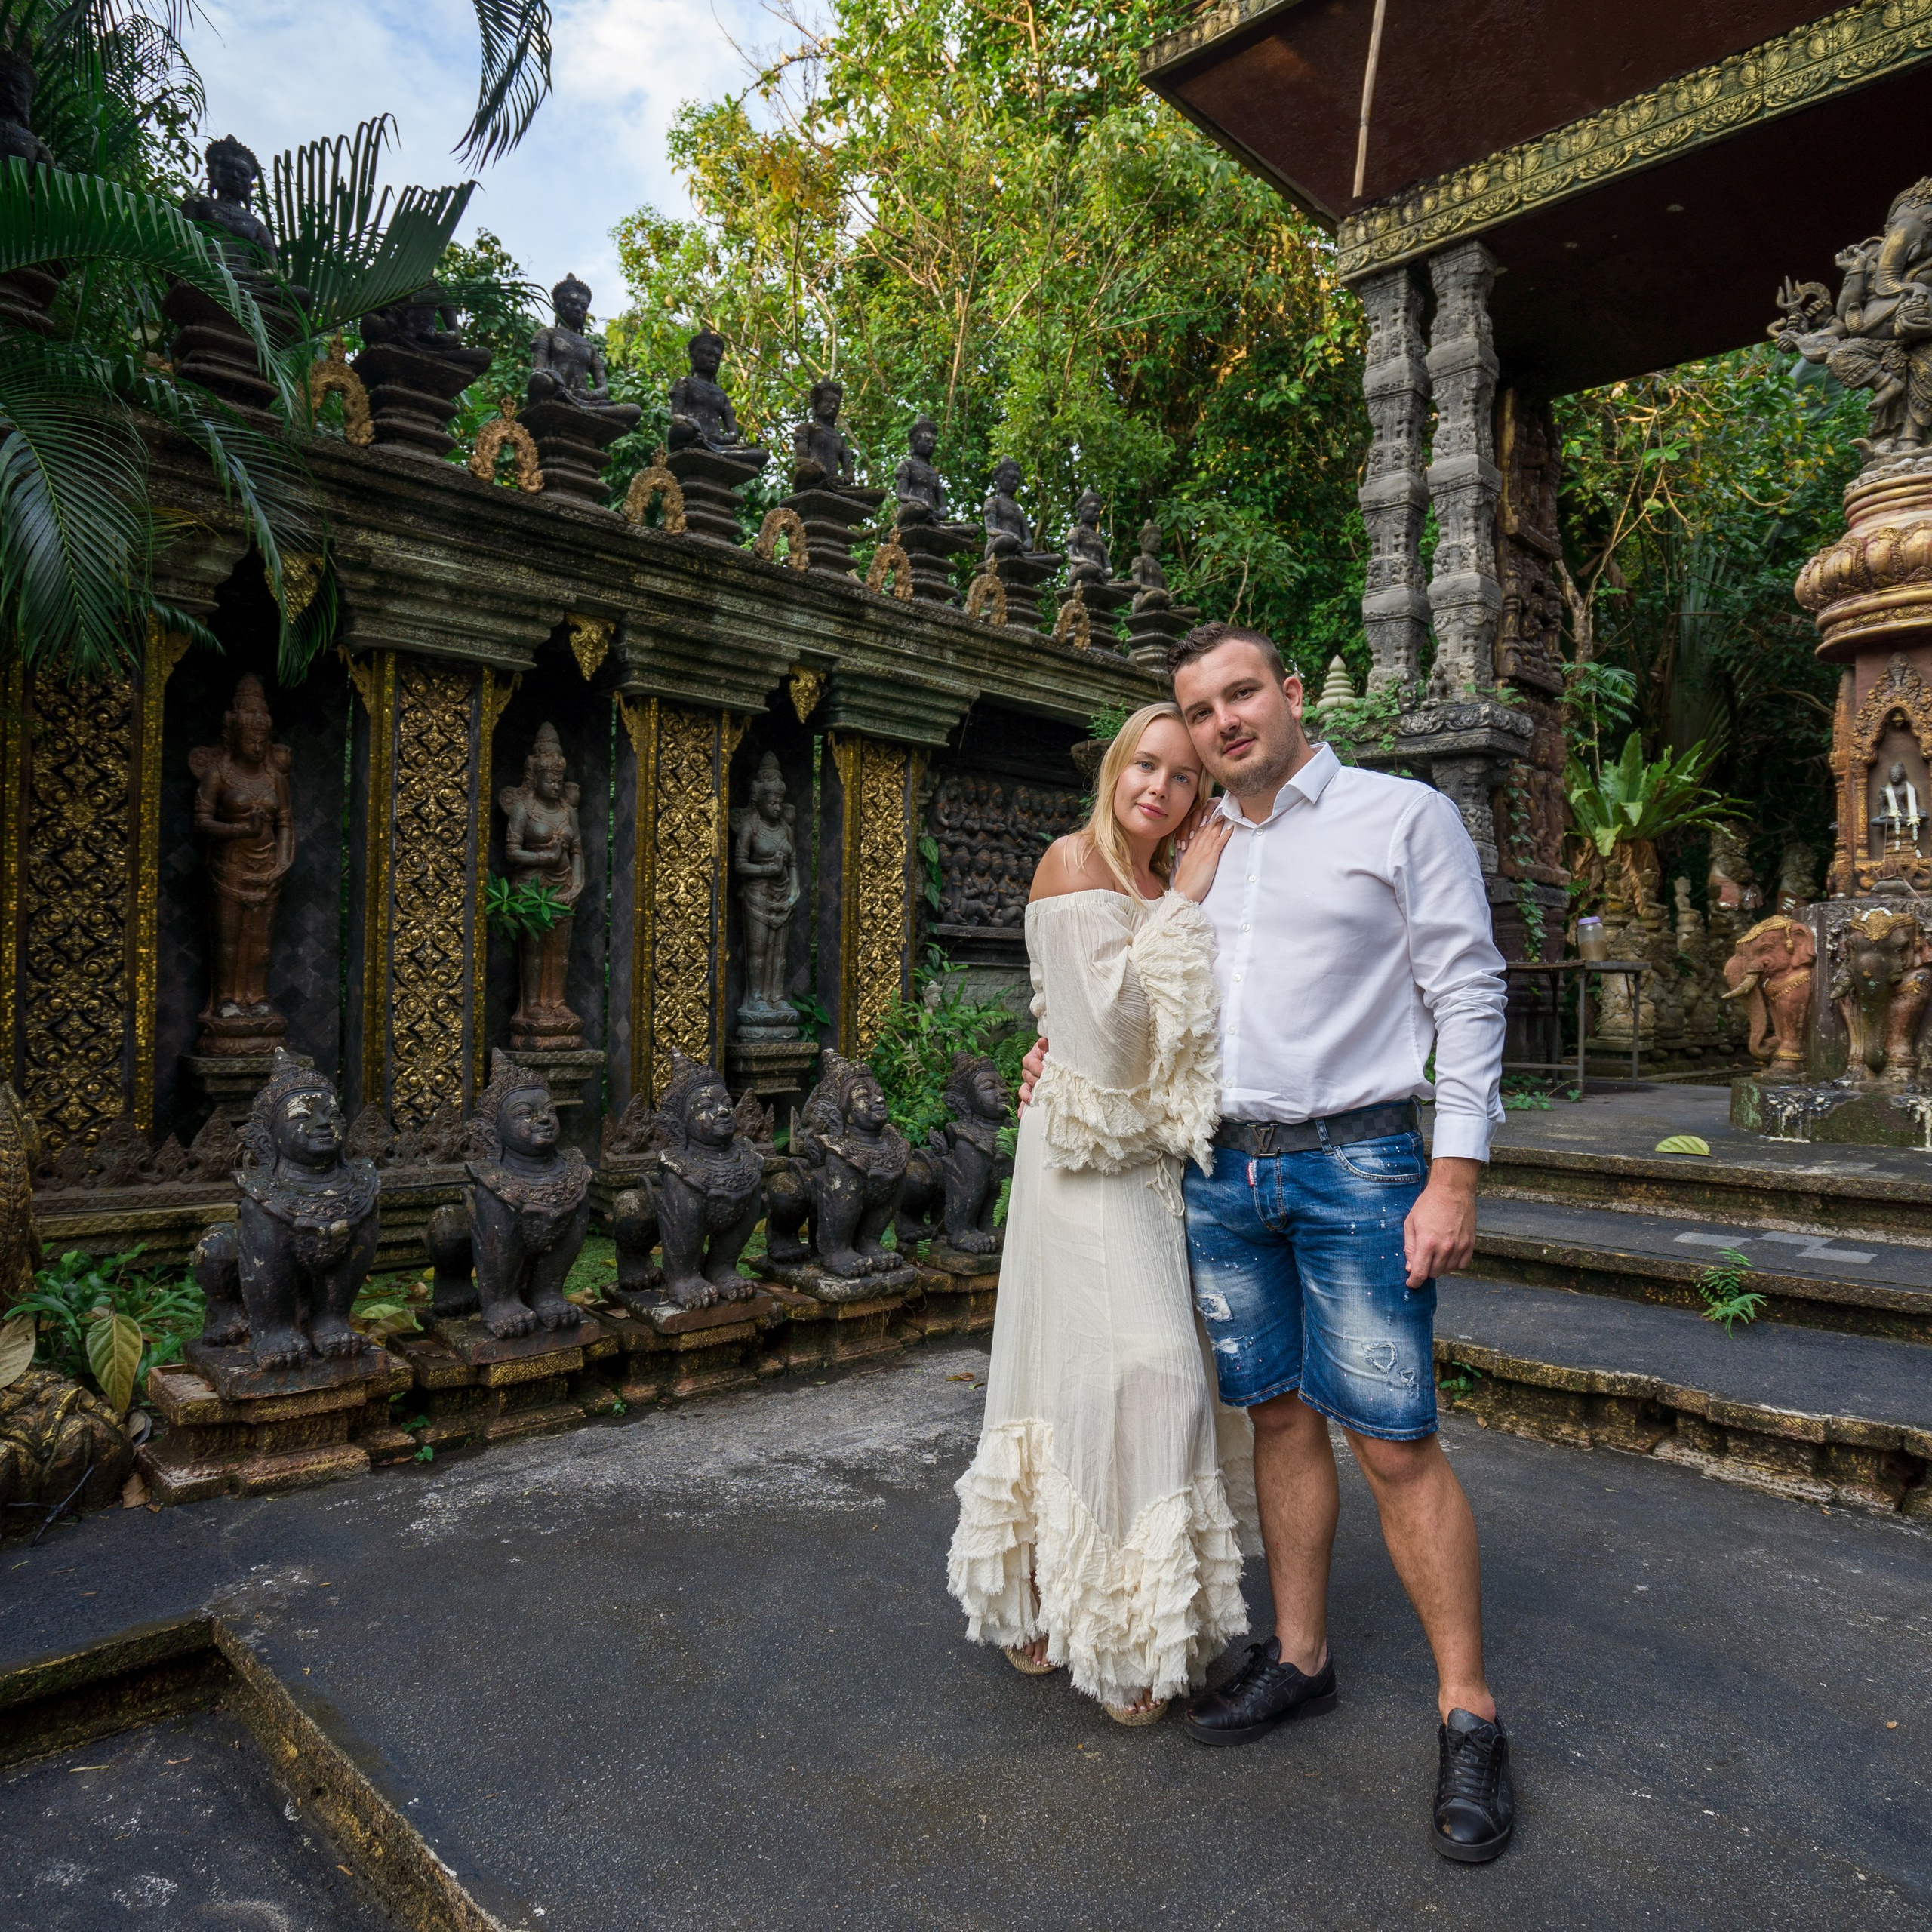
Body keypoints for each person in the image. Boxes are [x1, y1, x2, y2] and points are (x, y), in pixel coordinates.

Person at [1019, 620, 1516, 1862]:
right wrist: (1054, 1049)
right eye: (1200, 709)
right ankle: (1300, 1659)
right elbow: (1124, 992)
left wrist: (1453, 1173)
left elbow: (1467, 987)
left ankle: (1469, 1712)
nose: (1223, 721)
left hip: (1359, 1161)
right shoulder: (1194, 848)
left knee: (1393, 1439)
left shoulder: (1400, 817)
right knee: (1277, 1418)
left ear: (1291, 694)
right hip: (1222, 1172)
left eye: (1242, 693)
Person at [948, 701, 1253, 1727]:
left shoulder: (1157, 881)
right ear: (1114, 768)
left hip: (1146, 1161)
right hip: (1085, 1157)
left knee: (1096, 1365)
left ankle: (1072, 1602)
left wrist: (1178, 903)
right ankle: (1098, 1618)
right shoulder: (1076, 865)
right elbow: (1119, 1047)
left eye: (1182, 778)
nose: (1159, 790)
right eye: (1146, 767)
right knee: (1143, 1367)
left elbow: (1167, 1039)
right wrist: (1187, 908)